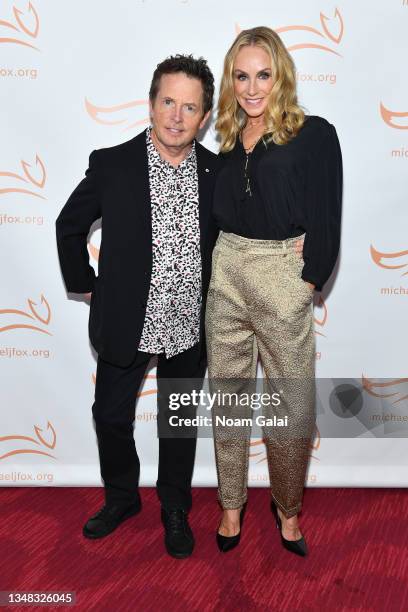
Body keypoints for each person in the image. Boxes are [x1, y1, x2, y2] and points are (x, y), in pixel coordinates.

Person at [56, 55, 220, 559]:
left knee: (177, 424)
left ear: (204, 116)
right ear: (151, 104)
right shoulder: (113, 164)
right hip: (127, 321)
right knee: (110, 416)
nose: (176, 115)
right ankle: (122, 498)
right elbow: (69, 225)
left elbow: (248, 230)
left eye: (189, 107)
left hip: (189, 326)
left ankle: (174, 506)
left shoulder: (218, 172)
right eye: (168, 101)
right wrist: (88, 286)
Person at [205, 27, 342, 555]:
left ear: (280, 74)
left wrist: (309, 277)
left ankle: (287, 509)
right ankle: (232, 504)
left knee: (291, 405)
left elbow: (327, 213)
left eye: (263, 74)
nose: (253, 87)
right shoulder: (225, 136)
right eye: (242, 75)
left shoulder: (313, 133)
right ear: (231, 81)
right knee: (229, 399)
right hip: (227, 274)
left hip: (282, 272)